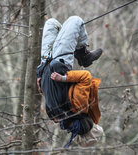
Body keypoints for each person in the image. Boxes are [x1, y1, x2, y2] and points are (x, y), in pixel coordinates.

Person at [37, 16, 103, 148]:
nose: (72, 128)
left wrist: (41, 82)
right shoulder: (79, 106)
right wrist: (62, 78)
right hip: (59, 60)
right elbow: (83, 78)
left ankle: (79, 50)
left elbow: (50, 92)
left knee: (54, 23)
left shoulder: (59, 118)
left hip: (45, 64)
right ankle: (81, 52)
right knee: (72, 22)